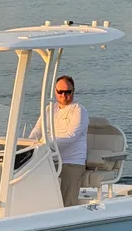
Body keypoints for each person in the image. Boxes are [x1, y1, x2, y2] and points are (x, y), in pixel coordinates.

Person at [29, 75, 89, 207]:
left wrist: (46, 144)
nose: (64, 95)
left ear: (73, 91)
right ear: (55, 91)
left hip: (71, 162)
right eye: (60, 91)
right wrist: (26, 145)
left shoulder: (79, 110)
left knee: (67, 203)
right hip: (49, 160)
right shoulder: (49, 109)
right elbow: (37, 130)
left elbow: (71, 136)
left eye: (68, 92)